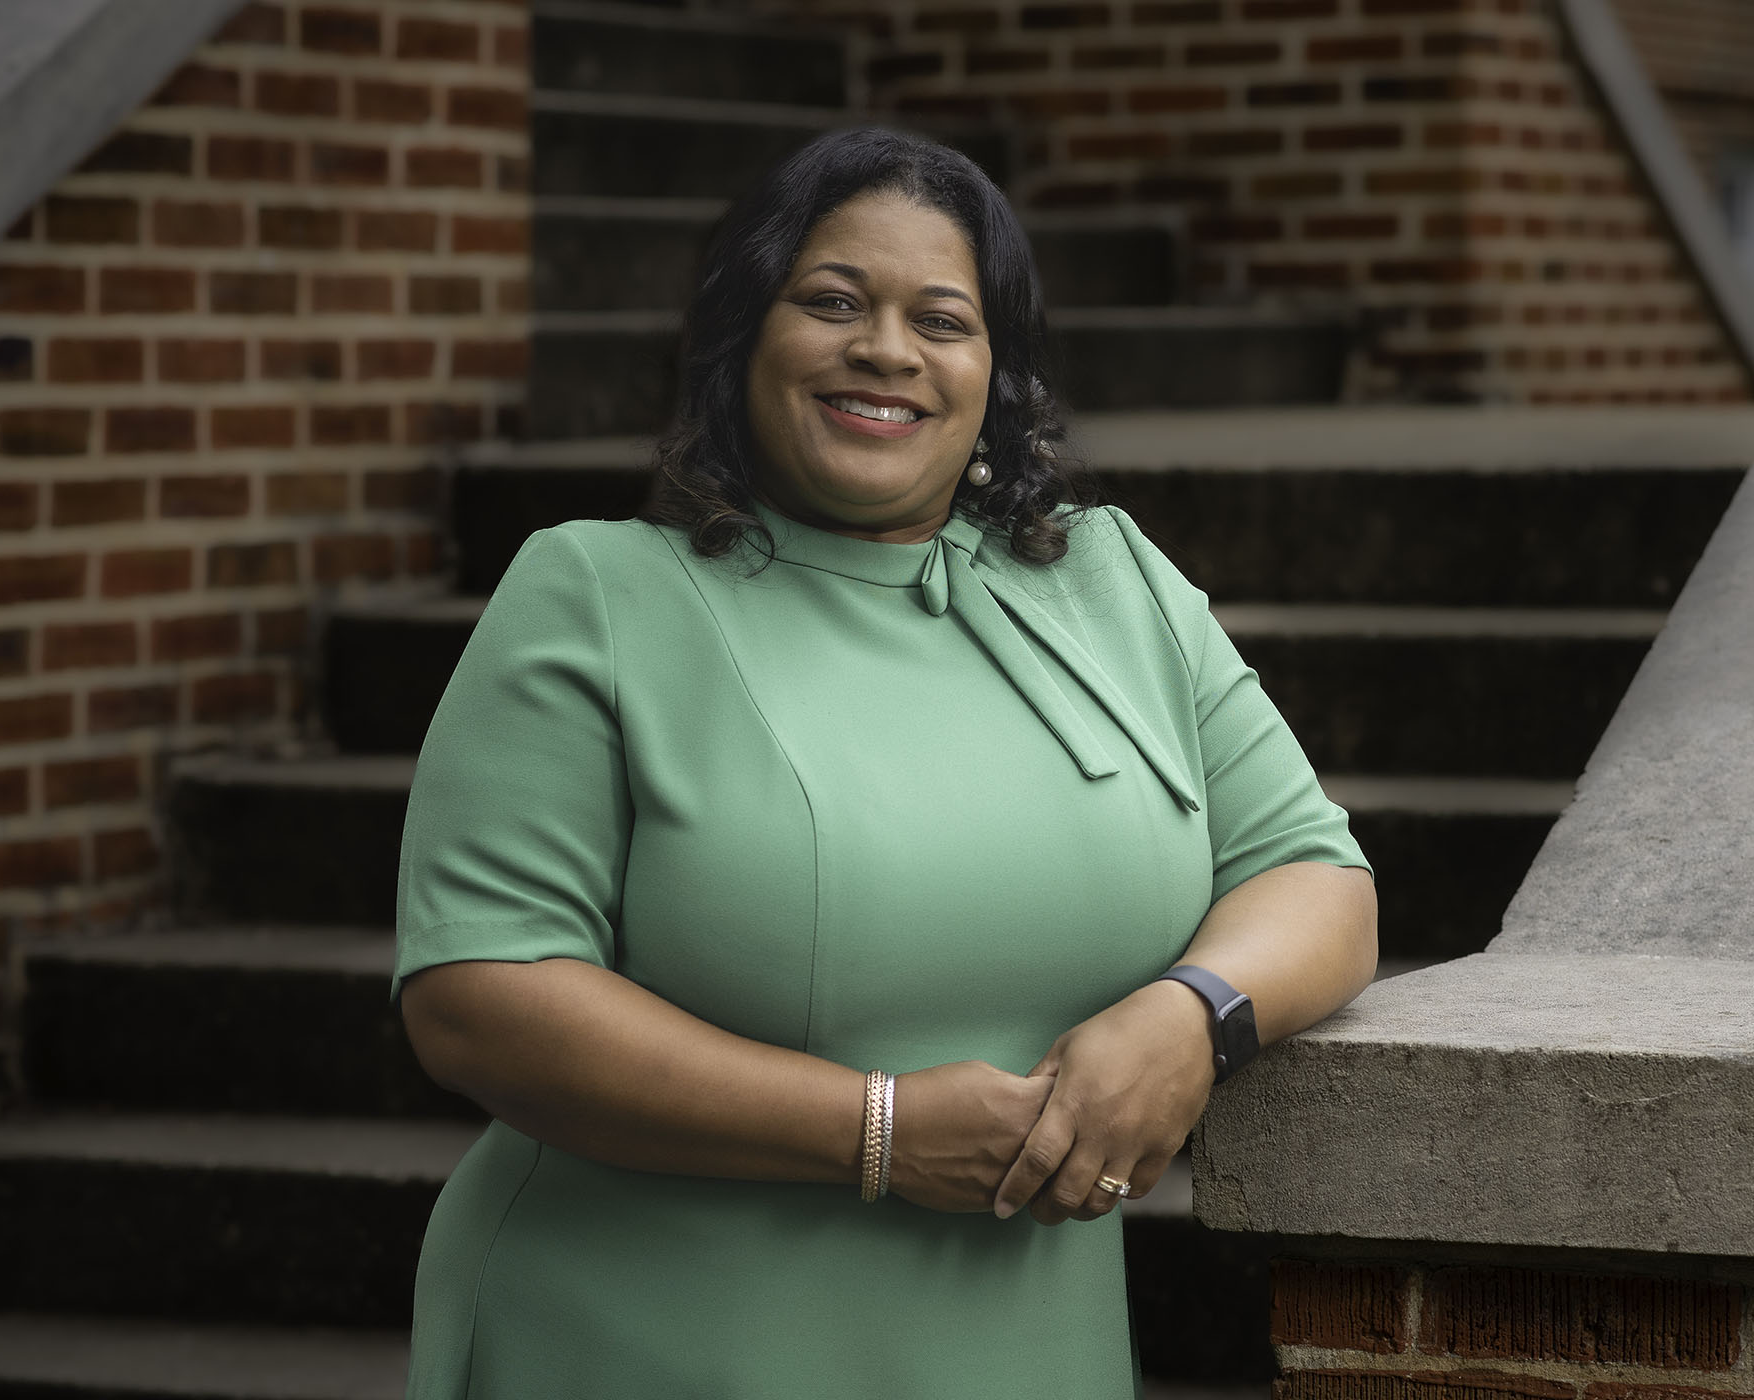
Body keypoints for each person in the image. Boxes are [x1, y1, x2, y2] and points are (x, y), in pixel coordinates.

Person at [391, 126, 1377, 1399]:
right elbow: (477, 991)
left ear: (993, 369)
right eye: (834, 302)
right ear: (743, 333)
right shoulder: (595, 594)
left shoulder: (1110, 580)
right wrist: (877, 1132)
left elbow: (1319, 877)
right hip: (661, 1336)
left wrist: (1193, 1015)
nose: (887, 351)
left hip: (1023, 1347)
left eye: (942, 318)